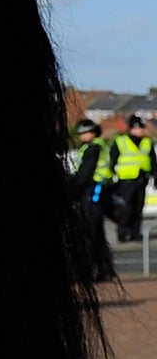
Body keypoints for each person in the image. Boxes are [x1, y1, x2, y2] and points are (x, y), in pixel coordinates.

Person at [70, 118, 115, 277]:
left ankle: (91, 270)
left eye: (86, 132)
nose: (83, 136)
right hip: (96, 190)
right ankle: (104, 269)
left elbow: (85, 174)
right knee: (96, 233)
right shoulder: (93, 147)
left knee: (90, 232)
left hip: (93, 191)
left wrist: (73, 190)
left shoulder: (93, 148)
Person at [113, 114, 152, 244]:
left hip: (141, 180)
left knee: (138, 208)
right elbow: (112, 159)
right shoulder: (121, 141)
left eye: (142, 128)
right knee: (124, 208)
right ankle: (122, 233)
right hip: (125, 181)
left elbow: (152, 161)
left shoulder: (147, 142)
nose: (141, 130)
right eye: (138, 128)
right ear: (131, 128)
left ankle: (135, 233)